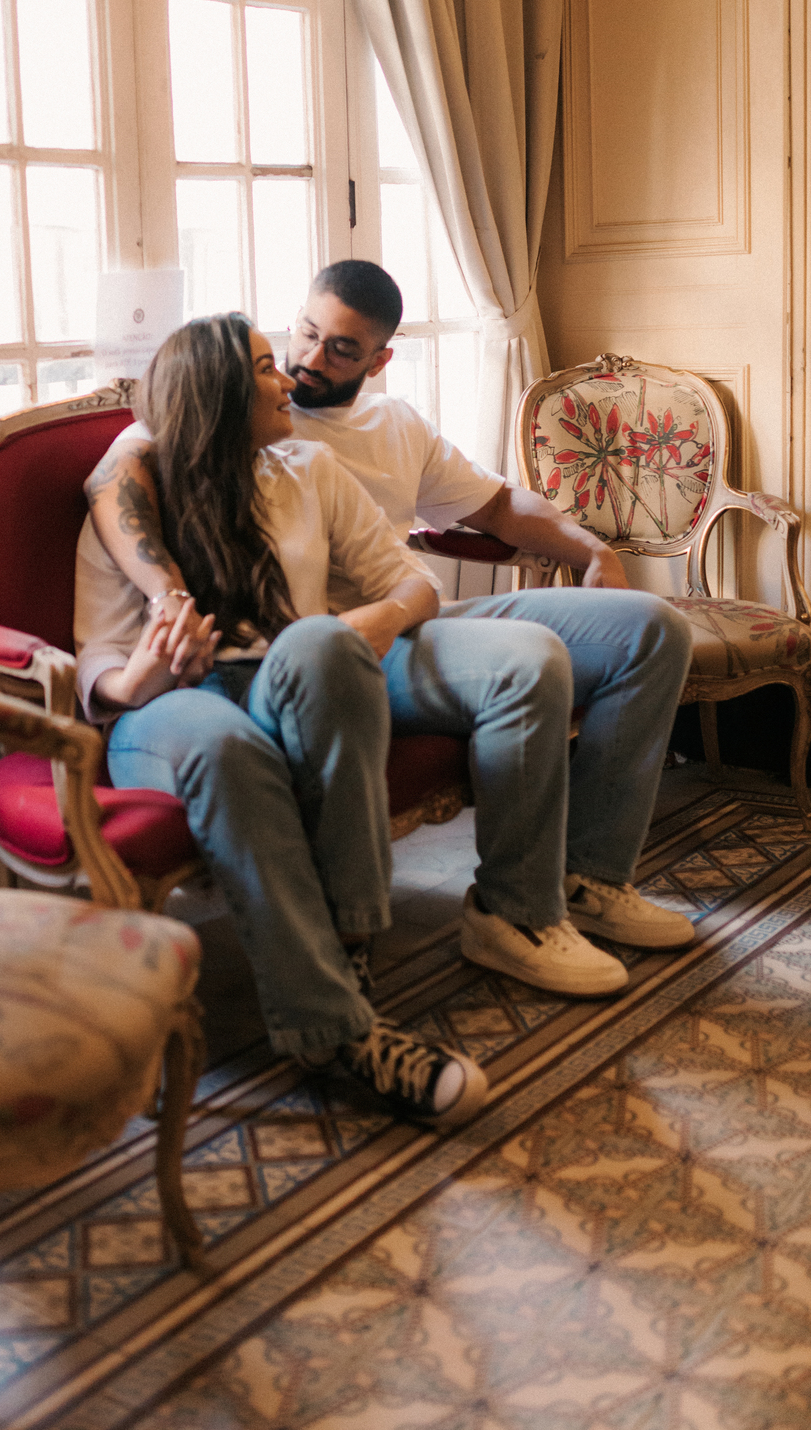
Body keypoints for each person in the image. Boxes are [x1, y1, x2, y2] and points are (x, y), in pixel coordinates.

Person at [84, 263, 696, 994]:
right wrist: (166, 600)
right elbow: (116, 483)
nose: (308, 362)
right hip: (316, 650)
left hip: (401, 616)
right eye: (304, 335)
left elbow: (498, 508)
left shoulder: (385, 426)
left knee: (652, 630)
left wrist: (593, 549)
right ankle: (506, 915)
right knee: (521, 662)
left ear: (379, 360)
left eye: (341, 349)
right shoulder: (215, 425)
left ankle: (590, 879)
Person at [75, 313, 488, 1129]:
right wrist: (145, 673)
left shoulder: (301, 468)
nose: (288, 378)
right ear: (220, 396)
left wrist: (370, 621)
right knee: (226, 746)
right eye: (266, 368)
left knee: (326, 642)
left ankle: (349, 947)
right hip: (164, 709)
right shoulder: (132, 498)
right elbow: (100, 666)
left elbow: (404, 582)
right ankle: (342, 1033)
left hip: (272, 683)